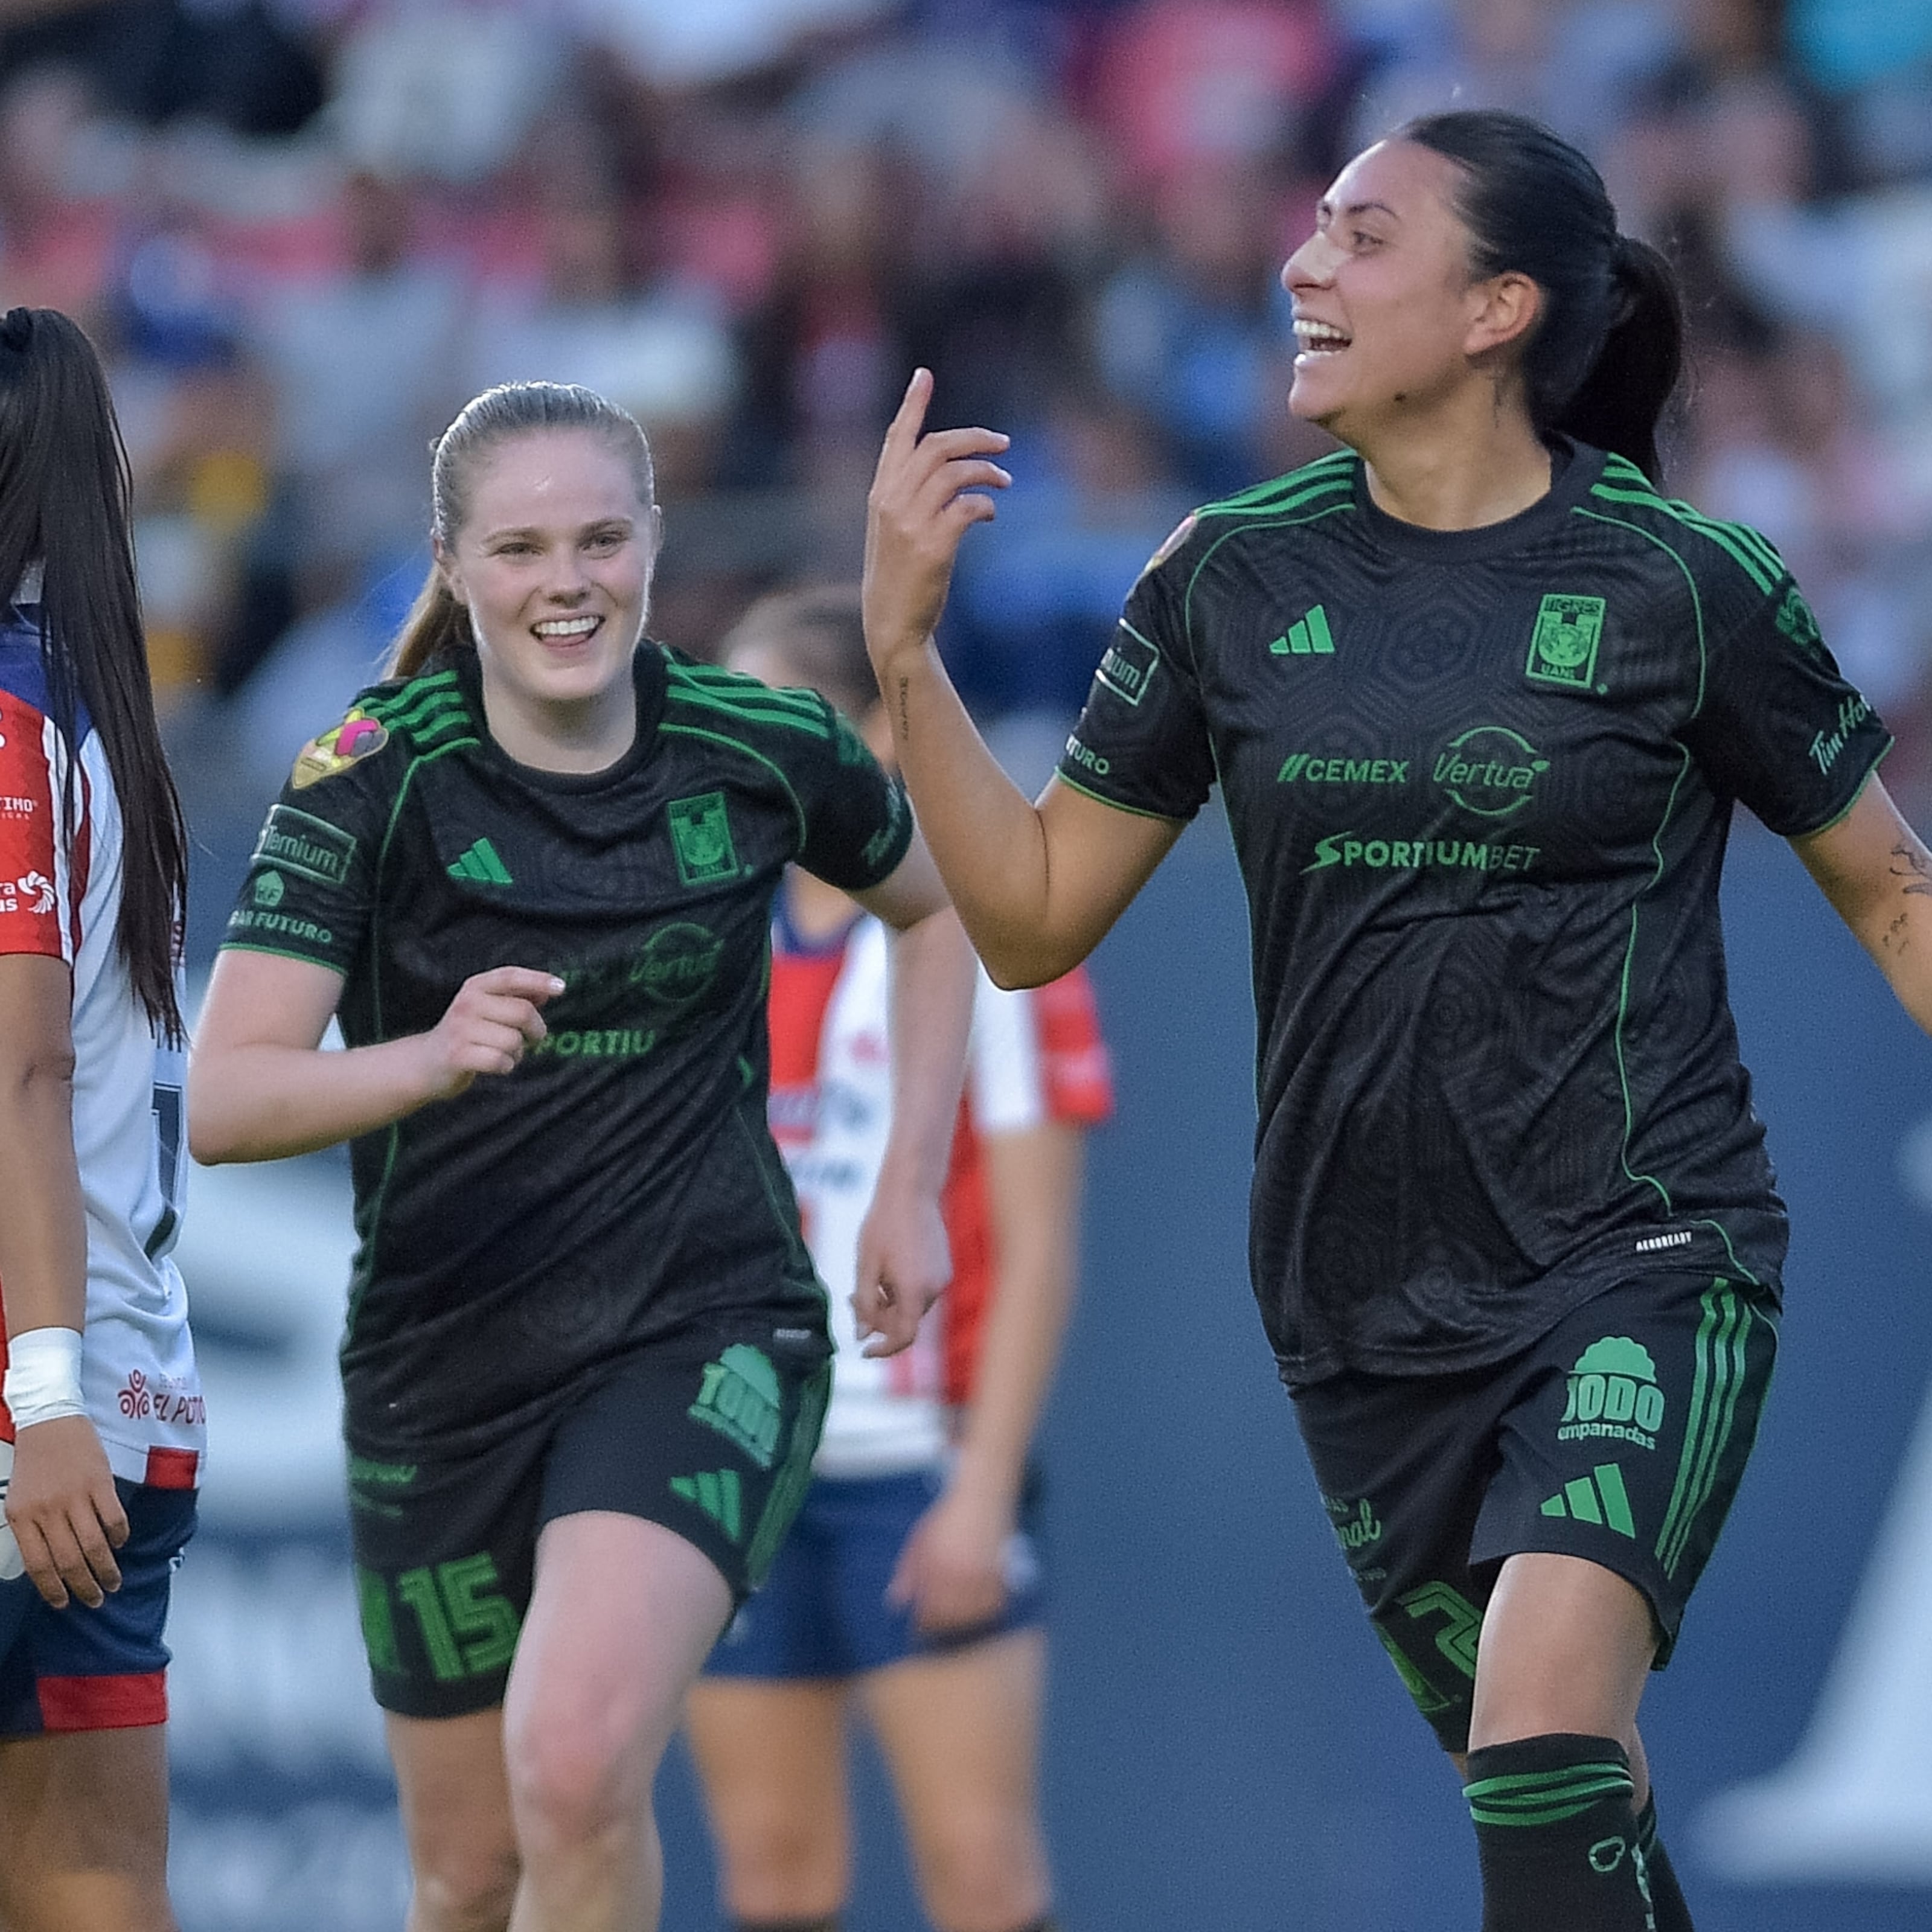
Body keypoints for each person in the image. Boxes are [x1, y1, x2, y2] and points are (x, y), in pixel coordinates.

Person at [857, 109, 1932, 1932]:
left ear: (1500, 307)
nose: (1304, 265)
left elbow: (1897, 897)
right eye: (1316, 228)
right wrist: (905, 658)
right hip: (1357, 1307)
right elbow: (1031, 921)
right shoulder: (1223, 576)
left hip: (1641, 1253)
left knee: (1536, 1731)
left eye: (1364, 236)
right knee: (1569, 1800)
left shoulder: (1688, 585)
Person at [186, 381, 977, 1932]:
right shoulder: (369, 771)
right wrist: (427, 1054)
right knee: (469, 1872)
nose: (569, 581)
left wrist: (905, 1184)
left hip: (699, 1326)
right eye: (524, 546)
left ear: (655, 544)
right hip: (442, 1363)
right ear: (456, 565)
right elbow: (223, 1102)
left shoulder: (758, 742)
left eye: (603, 538)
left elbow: (946, 911)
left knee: (574, 1757)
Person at [685, 587, 1113, 1932]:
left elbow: (1041, 1247)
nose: (753, 749)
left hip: (912, 1472)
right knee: (772, 1872)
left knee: (982, 1874)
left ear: (876, 728)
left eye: (784, 713)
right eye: (728, 717)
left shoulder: (993, 939)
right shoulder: (700, 937)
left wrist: (981, 1489)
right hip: (733, 1473)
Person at [0, 306, 202, 1932]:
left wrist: (39, 1396)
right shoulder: (106, 722)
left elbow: (21, 1076)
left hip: (36, 1404)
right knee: (89, 1877)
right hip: (127, 1402)